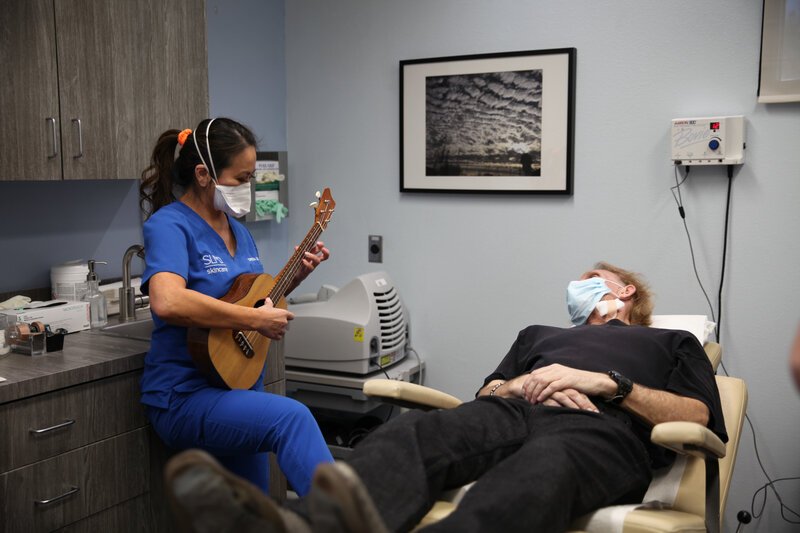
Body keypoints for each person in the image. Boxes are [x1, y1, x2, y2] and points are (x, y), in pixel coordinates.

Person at [163, 262, 727, 533]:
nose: (579, 283)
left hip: (600, 428)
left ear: (624, 290)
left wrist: (610, 384)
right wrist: (514, 384)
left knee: (543, 467)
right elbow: (486, 390)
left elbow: (700, 418)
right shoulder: (540, 335)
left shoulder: (670, 341)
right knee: (413, 433)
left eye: (593, 276)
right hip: (513, 407)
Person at [139, 117, 334, 496]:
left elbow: (253, 301)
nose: (249, 187)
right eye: (241, 178)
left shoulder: (238, 230)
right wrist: (254, 318)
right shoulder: (169, 225)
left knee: (252, 514)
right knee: (292, 419)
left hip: (237, 383)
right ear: (202, 174)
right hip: (185, 394)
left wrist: (293, 279)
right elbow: (166, 300)